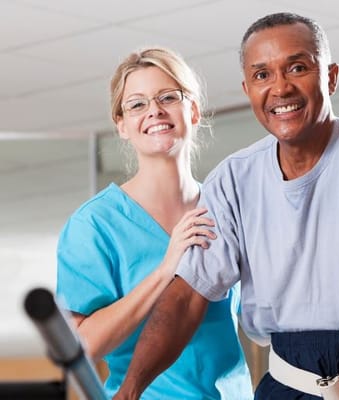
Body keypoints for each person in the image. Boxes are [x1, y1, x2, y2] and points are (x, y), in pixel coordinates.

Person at [114, 13, 339, 400]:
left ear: (329, 77)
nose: (280, 88)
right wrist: (130, 390)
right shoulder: (233, 181)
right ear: (248, 89)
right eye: (262, 75)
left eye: (297, 68)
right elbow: (187, 296)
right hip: (290, 385)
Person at [55, 47, 252, 399]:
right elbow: (82, 346)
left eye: (168, 97)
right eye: (137, 104)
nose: (155, 111)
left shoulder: (225, 208)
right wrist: (165, 271)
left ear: (192, 110)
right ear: (122, 126)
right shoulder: (96, 225)